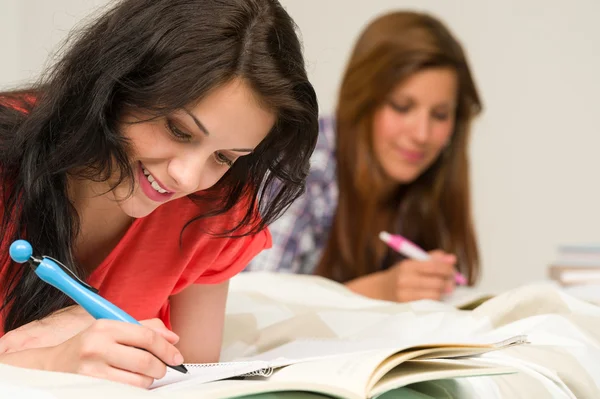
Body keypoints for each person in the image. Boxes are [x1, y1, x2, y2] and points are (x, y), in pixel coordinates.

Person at [0, 0, 318, 388]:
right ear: (116, 84)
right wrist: (46, 364)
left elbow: (192, 378)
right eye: (179, 131)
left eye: (223, 157)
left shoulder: (217, 207)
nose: (187, 177)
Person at [247, 11, 482, 303]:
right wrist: (378, 292)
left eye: (440, 115)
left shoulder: (424, 185)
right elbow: (252, 305)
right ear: (362, 100)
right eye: (401, 106)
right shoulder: (303, 166)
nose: (422, 134)